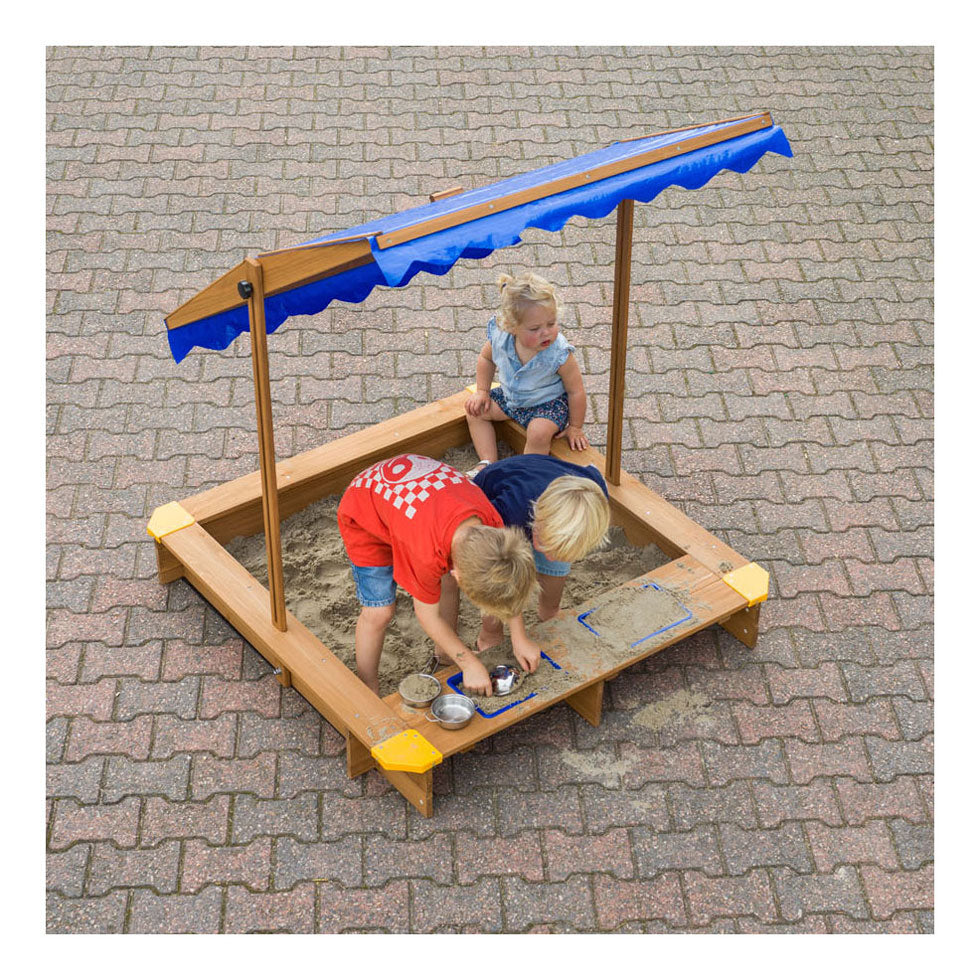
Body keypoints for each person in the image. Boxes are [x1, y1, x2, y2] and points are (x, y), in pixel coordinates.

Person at [336, 452, 538, 696]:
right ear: (458, 574)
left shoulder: (494, 527)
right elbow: (427, 616)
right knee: (379, 611)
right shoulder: (427, 553)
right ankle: (367, 686)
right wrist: (469, 662)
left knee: (444, 585)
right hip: (364, 511)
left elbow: (509, 581)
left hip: (414, 499)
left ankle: (444, 653)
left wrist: (520, 636)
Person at [472, 454, 611, 651]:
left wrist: (553, 548)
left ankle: (549, 610)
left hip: (547, 492)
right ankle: (489, 635)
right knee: (496, 579)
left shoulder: (594, 501)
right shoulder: (510, 511)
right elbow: (496, 574)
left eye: (562, 552)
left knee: (555, 568)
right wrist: (517, 635)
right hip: (491, 496)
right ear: (537, 518)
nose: (550, 556)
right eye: (547, 545)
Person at [464, 272, 589, 477]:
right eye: (535, 328)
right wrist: (482, 391)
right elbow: (486, 359)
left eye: (551, 324)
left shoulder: (558, 353)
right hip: (511, 398)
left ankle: (523, 475)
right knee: (474, 410)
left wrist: (575, 427)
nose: (546, 333)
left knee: (538, 433)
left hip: (547, 406)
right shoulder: (501, 337)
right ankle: (487, 462)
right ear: (512, 327)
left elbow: (576, 390)